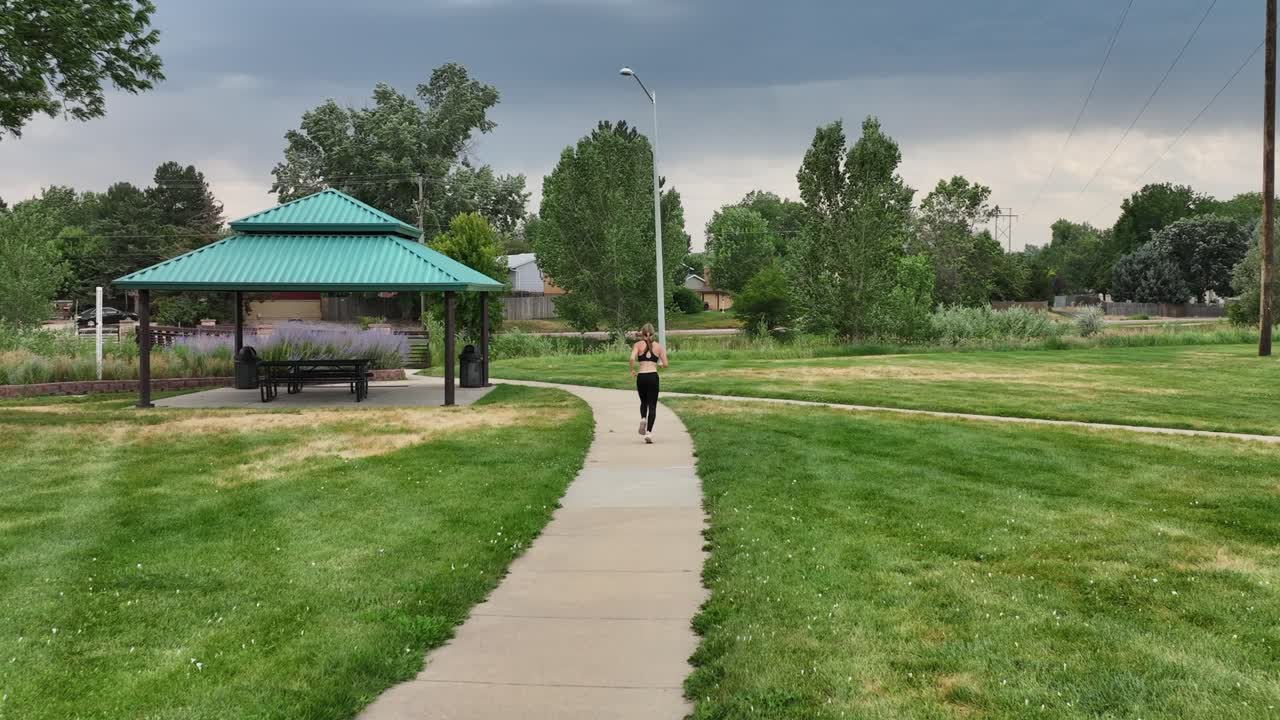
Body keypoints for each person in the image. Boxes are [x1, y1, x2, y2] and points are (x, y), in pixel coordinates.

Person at [629, 322, 668, 444]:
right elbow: (665, 364)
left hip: (641, 377)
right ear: (653, 333)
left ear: (642, 332)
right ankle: (649, 433)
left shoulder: (637, 345)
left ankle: (643, 418)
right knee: (652, 405)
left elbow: (631, 359)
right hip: (652, 376)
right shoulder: (659, 346)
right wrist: (660, 365)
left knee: (643, 402)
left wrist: (632, 370)